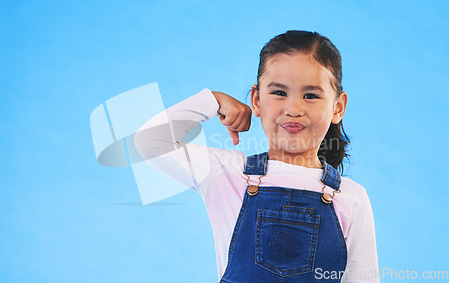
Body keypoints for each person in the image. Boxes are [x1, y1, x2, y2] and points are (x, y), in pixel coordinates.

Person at [134, 30, 379, 282]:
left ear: (337, 107)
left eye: (311, 95)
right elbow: (150, 141)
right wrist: (212, 101)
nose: (293, 109)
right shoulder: (226, 174)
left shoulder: (350, 197)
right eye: (279, 93)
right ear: (257, 100)